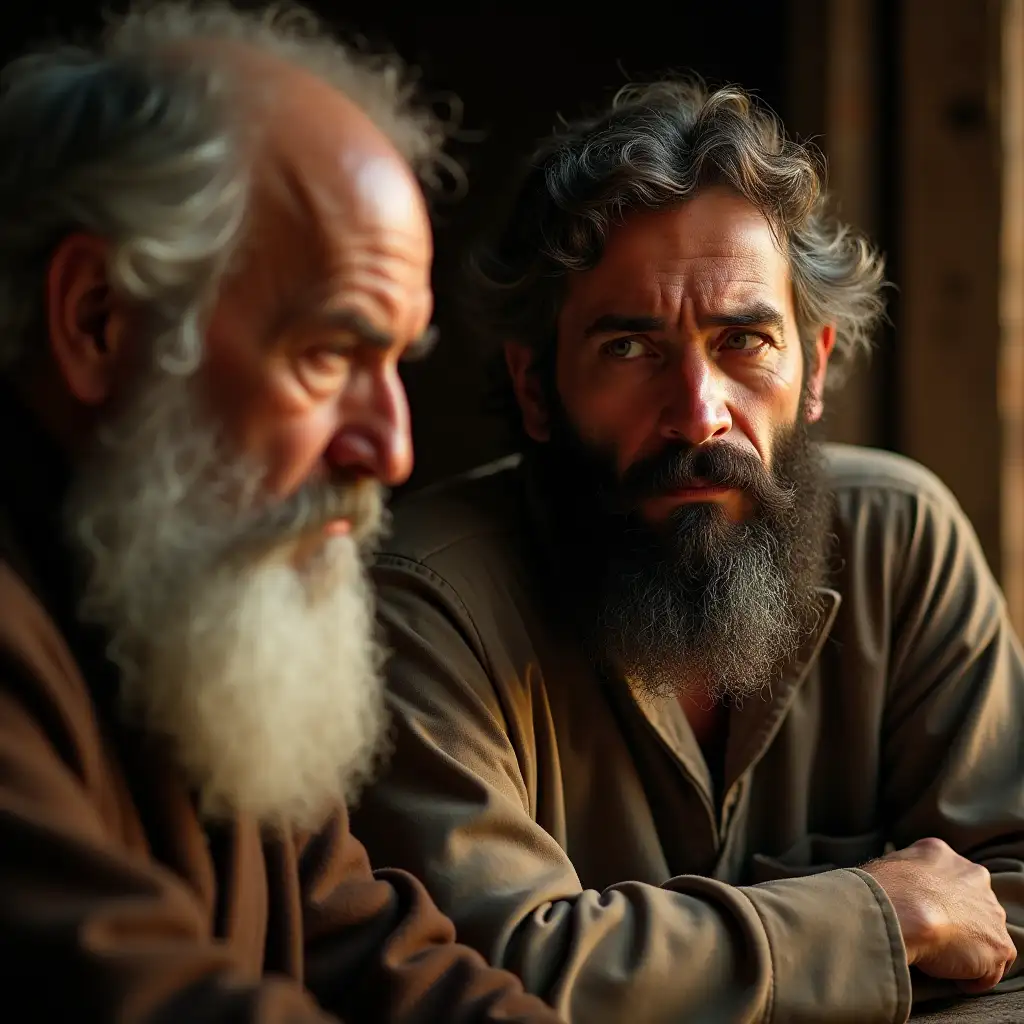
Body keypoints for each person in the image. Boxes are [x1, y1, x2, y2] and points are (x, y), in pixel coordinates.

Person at [353, 81, 1024, 1023]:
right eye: (630, 348)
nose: (699, 411)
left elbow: (1013, 893)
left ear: (817, 364)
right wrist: (880, 915)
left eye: (744, 339)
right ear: (536, 387)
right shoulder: (423, 604)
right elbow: (497, 975)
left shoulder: (900, 543)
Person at [0, 3, 568, 1022]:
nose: (391, 448)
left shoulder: (184, 584)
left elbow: (383, 960)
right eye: (327, 356)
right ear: (96, 318)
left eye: (395, 362)